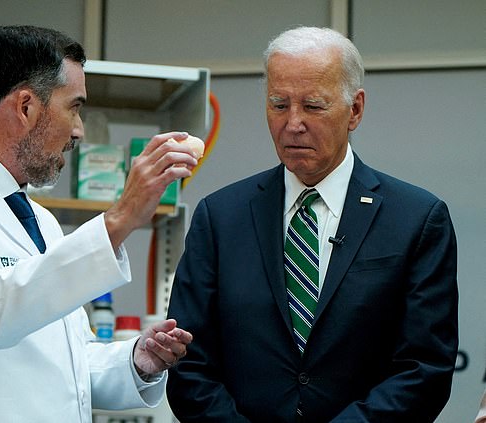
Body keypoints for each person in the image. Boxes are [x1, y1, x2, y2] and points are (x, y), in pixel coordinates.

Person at [0, 25, 195, 422]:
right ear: (26, 107)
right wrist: (120, 218)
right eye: (74, 107)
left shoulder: (36, 218)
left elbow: (66, 360)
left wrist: (136, 361)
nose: (78, 130)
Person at [166, 26, 458, 422]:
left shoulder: (416, 219)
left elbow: (425, 369)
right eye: (279, 104)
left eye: (313, 106)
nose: (293, 123)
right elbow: (188, 364)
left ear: (355, 110)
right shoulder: (220, 218)